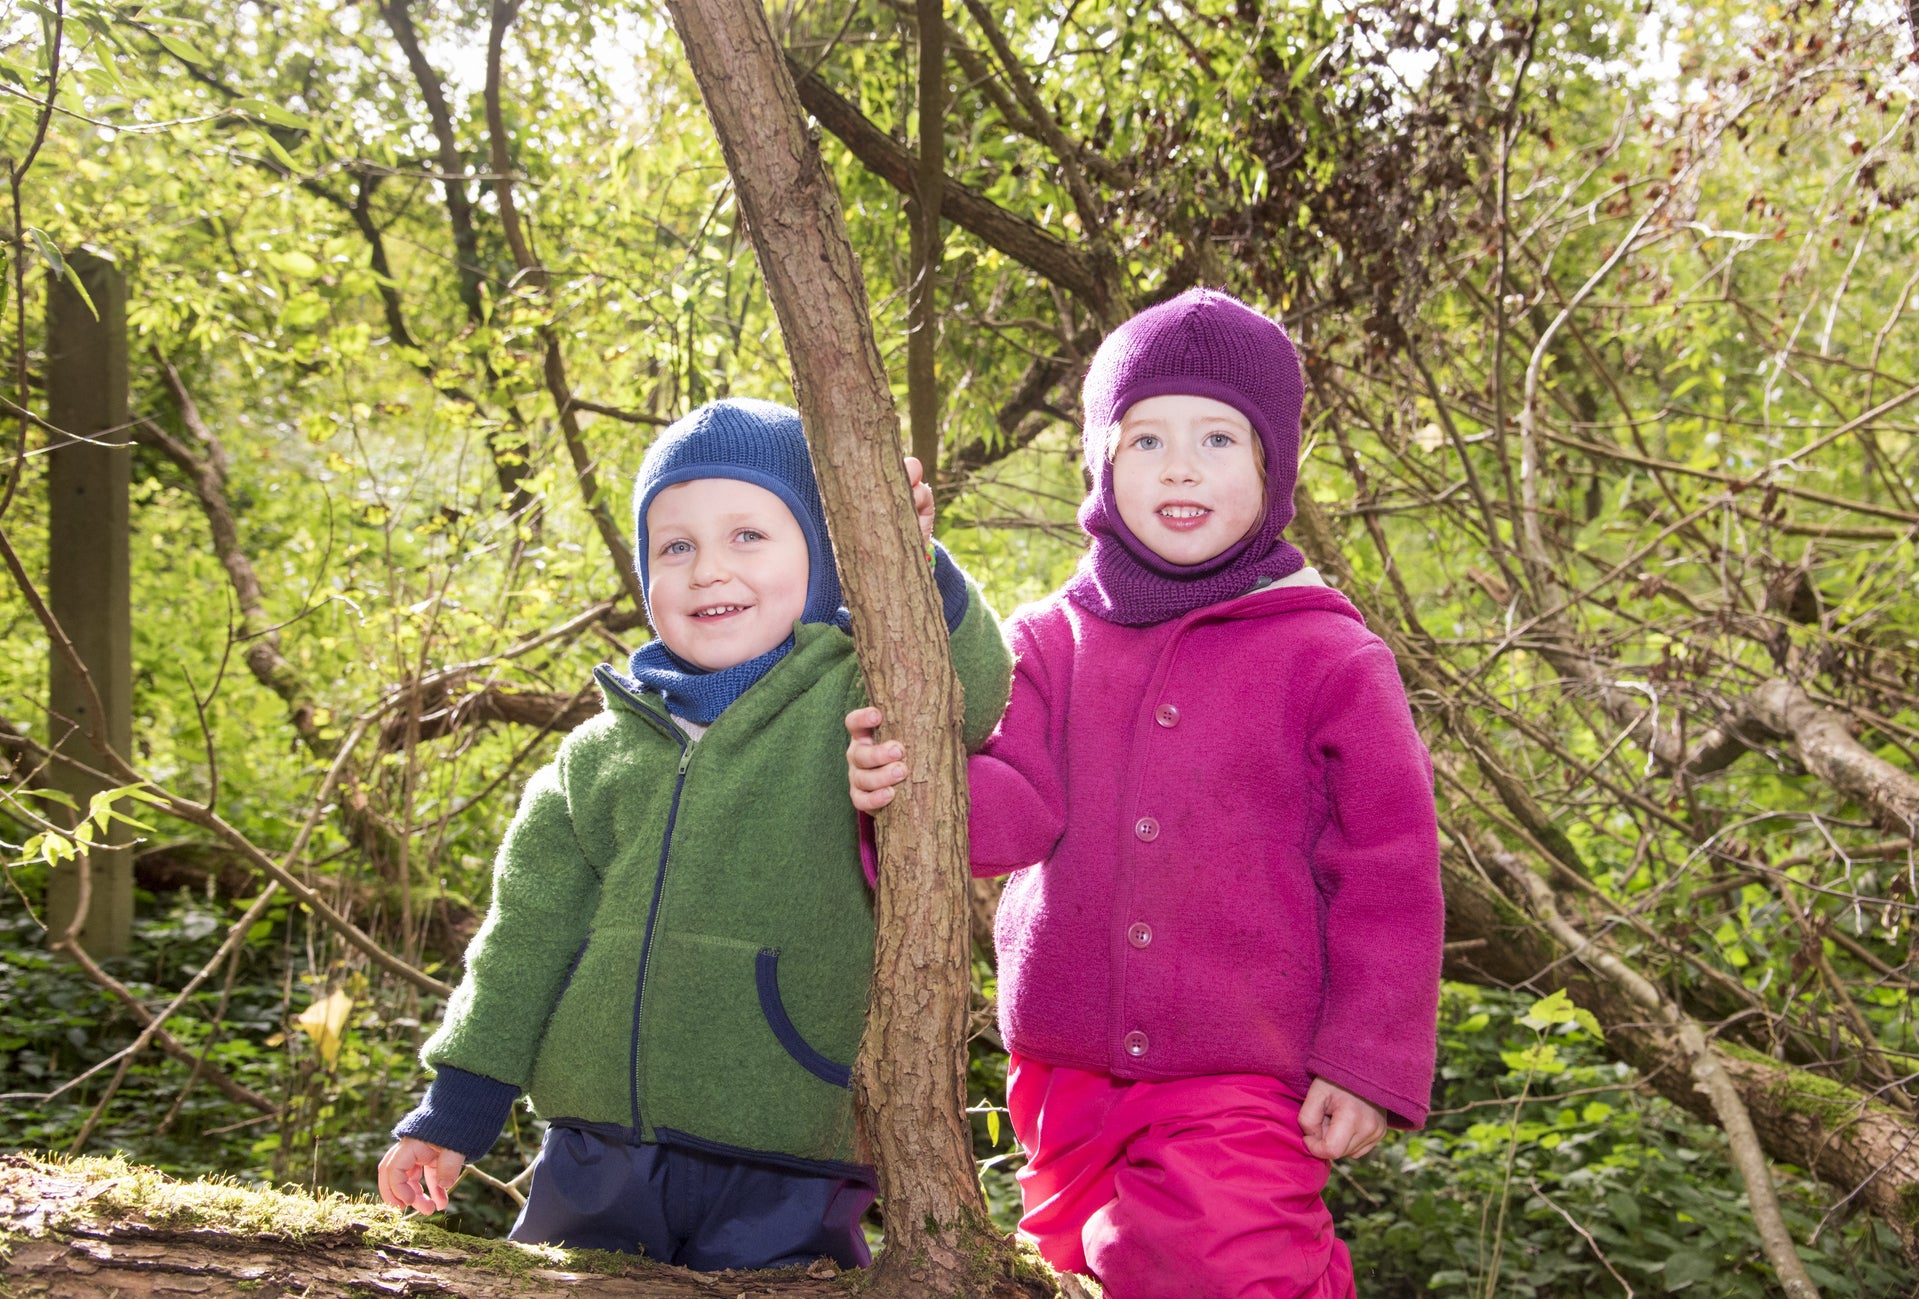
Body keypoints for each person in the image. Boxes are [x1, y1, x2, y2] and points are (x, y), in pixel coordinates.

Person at [846, 289, 1442, 1298]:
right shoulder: (1047, 637)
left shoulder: (1327, 653)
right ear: (1099, 462)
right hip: (1059, 1071)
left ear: (1271, 466)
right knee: (1076, 1273)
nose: (1178, 465)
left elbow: (1387, 869)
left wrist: (1366, 1058)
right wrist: (895, 790)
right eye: (1145, 437)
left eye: (1218, 437)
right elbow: (1011, 810)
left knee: (1227, 1265)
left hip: (1240, 1066)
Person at [377, 397, 1014, 1272]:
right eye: (676, 546)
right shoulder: (596, 756)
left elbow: (970, 694)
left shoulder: (850, 700)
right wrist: (457, 1109)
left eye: (749, 535)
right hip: (596, 1148)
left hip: (785, 1139)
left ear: (828, 557)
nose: (709, 570)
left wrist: (917, 566)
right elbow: (523, 942)